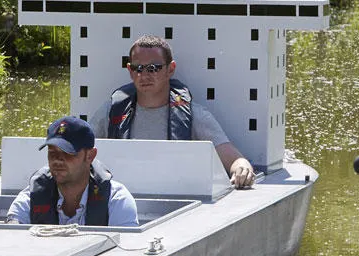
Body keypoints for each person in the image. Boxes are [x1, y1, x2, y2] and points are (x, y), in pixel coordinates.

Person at [89, 35, 256, 188]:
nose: (144, 75)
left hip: (178, 204)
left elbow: (233, 158)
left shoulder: (195, 116)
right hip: (121, 201)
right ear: (130, 71)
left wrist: (242, 168)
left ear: (170, 69)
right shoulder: (109, 113)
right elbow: (78, 152)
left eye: (153, 68)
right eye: (138, 68)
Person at [8, 117, 140, 227]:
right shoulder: (31, 197)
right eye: (52, 152)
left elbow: (126, 250)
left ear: (90, 156)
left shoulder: (117, 200)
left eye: (68, 152)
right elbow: (12, 234)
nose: (57, 160)